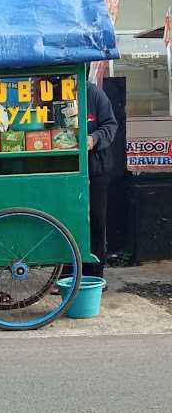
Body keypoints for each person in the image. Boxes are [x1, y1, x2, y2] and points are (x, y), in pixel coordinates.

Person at [85, 81, 118, 279]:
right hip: (66, 169)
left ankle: (96, 274)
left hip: (97, 168)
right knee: (68, 220)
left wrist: (94, 138)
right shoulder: (53, 90)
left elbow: (110, 125)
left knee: (96, 220)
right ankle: (69, 273)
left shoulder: (95, 94)